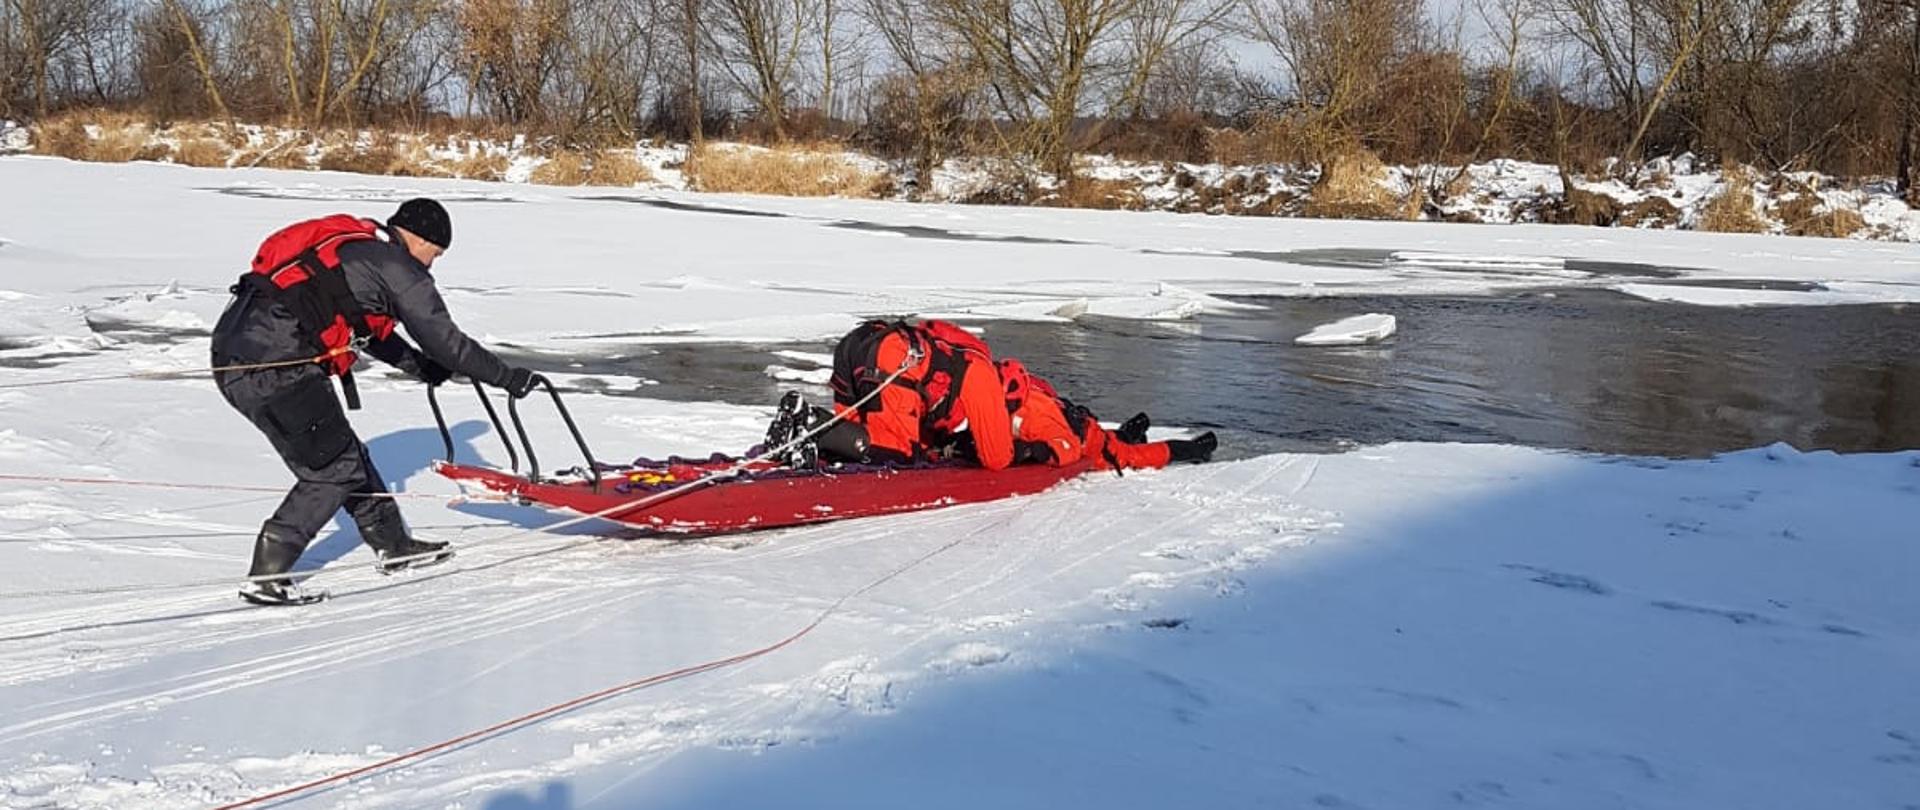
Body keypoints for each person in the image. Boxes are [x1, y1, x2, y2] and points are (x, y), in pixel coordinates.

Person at [210, 198, 536, 605]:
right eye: (434, 253)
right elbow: (446, 341)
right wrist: (506, 377)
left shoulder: (361, 252)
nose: (432, 264)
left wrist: (423, 368)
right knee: (331, 472)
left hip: (235, 356)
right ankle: (268, 577)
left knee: (345, 457)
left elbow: (372, 332)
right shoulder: (398, 269)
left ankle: (394, 546)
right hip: (277, 365)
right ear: (418, 238)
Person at [765, 319, 1051, 470]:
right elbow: (997, 459)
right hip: (893, 357)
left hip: (860, 344)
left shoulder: (954, 356)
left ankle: (806, 436)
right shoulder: (981, 372)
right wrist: (1027, 452)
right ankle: (811, 421)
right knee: (899, 453)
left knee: (857, 438)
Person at [994, 358, 1215, 470]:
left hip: (1086, 441)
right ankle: (1132, 429)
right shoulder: (1018, 399)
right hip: (1078, 425)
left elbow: (1068, 448)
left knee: (1130, 457)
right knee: (1110, 441)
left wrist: (1035, 451)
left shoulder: (1037, 415)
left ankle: (1198, 449)